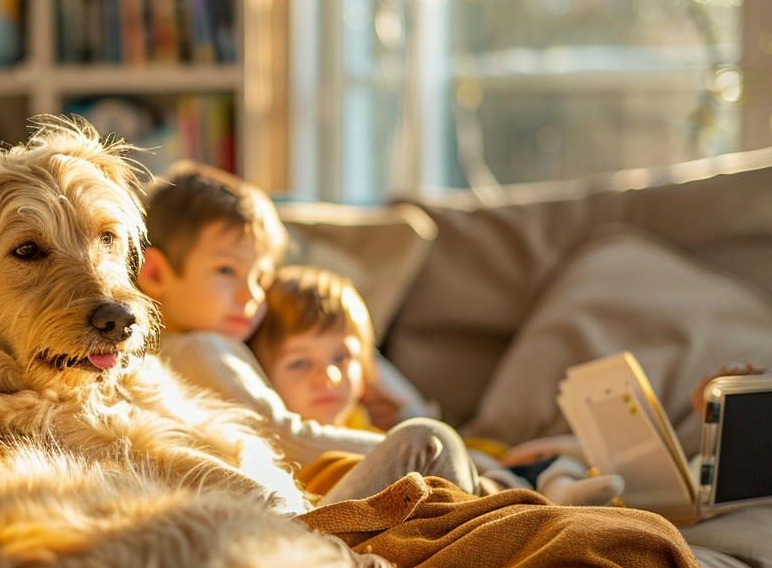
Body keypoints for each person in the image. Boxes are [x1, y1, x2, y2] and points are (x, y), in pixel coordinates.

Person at [137, 163, 613, 507]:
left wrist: (373, 380)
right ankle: (529, 495)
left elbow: (344, 355)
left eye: (261, 277)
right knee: (428, 442)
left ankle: (535, 485)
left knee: (459, 446)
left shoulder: (208, 343)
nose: (251, 295)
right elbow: (286, 437)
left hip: (303, 498)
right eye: (226, 270)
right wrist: (426, 444)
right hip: (309, 512)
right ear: (155, 274)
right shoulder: (200, 346)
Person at [246, 263, 623, 506]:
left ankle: (563, 489)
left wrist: (378, 384)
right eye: (298, 363)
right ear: (263, 374)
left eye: (341, 359)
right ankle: (552, 494)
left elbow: (447, 438)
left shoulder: (368, 417)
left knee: (547, 462)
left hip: (483, 473)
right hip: (431, 502)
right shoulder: (301, 441)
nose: (328, 376)